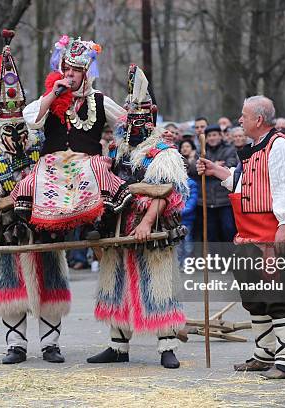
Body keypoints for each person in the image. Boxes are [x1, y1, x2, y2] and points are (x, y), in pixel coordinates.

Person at [0, 30, 70, 364]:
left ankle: (51, 343)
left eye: (21, 130)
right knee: (11, 287)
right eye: (10, 130)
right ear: (0, 127)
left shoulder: (41, 147)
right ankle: (16, 345)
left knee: (50, 282)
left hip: (43, 227)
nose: (17, 136)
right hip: (6, 232)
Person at [196, 95, 285, 379]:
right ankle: (264, 354)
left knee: (277, 299)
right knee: (254, 299)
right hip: (248, 237)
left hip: (272, 239)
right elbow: (246, 185)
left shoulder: (279, 147)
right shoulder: (256, 148)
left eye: (243, 115)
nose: (239, 119)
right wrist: (216, 170)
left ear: (258, 120)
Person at [90, 64, 188, 369]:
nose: (133, 125)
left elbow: (167, 192)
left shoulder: (163, 151)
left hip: (152, 229)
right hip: (118, 229)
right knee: (115, 283)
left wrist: (146, 222)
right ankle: (118, 346)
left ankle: (167, 346)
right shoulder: (117, 152)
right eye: (130, 118)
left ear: (150, 120)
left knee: (158, 285)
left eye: (140, 120)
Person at [12, 35, 130, 234]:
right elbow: (31, 120)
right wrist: (53, 94)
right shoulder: (51, 97)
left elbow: (125, 123)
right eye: (66, 69)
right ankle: (38, 227)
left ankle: (93, 224)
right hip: (52, 161)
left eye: (76, 70)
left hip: (86, 161)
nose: (70, 75)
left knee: (96, 169)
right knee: (31, 182)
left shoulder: (99, 99)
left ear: (86, 73)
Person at [193, 124, 238, 243]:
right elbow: (194, 168)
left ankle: (230, 257)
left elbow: (230, 167)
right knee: (210, 234)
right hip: (206, 201)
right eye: (209, 136)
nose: (212, 138)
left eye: (215, 135)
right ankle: (212, 259)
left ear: (220, 136)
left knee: (228, 230)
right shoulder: (201, 150)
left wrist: (212, 168)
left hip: (224, 201)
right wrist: (217, 166)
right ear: (206, 138)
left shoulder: (229, 149)